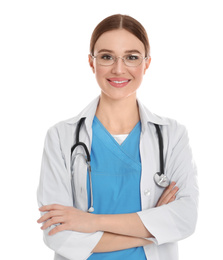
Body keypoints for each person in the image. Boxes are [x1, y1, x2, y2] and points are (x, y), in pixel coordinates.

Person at [37, 14, 198, 260]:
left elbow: (184, 219)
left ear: (147, 63)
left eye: (132, 57)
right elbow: (58, 235)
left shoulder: (172, 135)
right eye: (107, 57)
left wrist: (90, 222)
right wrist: (154, 229)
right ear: (92, 63)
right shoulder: (61, 137)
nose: (119, 69)